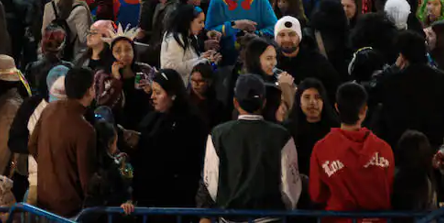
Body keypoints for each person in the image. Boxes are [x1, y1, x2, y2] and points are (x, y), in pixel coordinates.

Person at [201, 73, 301, 213]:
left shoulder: (218, 134)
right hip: (270, 217)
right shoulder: (281, 135)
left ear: (235, 102)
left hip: (230, 218)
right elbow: (290, 188)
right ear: (264, 102)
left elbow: (211, 183)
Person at [308, 81, 394, 219]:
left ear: (337, 108)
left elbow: (317, 195)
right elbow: (389, 190)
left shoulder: (321, 148)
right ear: (364, 110)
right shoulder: (384, 149)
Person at [125, 68, 206, 207]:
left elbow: (177, 157)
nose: (152, 97)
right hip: (149, 199)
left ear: (172, 95)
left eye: (158, 92)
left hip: (174, 201)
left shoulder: (191, 121)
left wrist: (142, 143)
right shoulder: (153, 117)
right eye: (153, 91)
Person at [369, 30, 444, 148]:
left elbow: (372, 96)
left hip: (399, 148)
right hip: (437, 148)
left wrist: (393, 68)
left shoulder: (391, 82)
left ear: (402, 56)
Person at [29, 66, 97, 217]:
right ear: (90, 90)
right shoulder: (84, 130)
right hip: (69, 210)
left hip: (44, 202)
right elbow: (87, 180)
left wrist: (51, 169)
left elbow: (32, 145)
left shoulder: (49, 109)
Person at [275, 16, 339, 92]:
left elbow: (334, 87)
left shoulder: (316, 61)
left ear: (299, 37)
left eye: (292, 34)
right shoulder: (272, 61)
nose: (287, 39)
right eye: (282, 35)